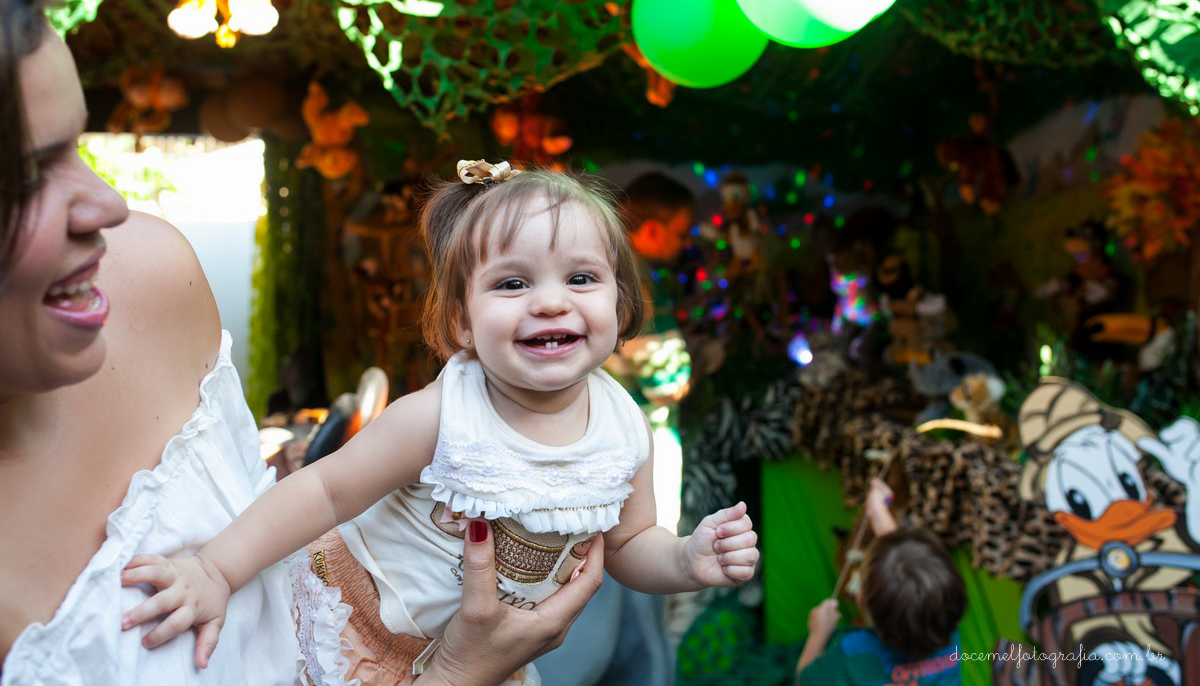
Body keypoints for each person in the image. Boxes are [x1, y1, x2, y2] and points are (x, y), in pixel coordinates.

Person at [0, 0, 602, 686]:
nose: (108, 202)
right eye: (28, 177)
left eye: (77, 147)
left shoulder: (149, 281)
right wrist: (454, 674)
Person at [122, 161, 761, 684]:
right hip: (355, 619)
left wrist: (684, 558)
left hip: (480, 659)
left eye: (581, 277)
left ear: (619, 305)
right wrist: (217, 570)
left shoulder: (625, 428)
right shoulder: (444, 414)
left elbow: (626, 545)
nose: (550, 300)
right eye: (512, 283)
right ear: (461, 322)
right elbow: (324, 489)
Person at [533, 170, 700, 686]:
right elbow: (667, 378)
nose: (684, 243)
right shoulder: (640, 281)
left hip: (574, 450)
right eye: (680, 231)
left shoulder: (589, 267)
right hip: (633, 448)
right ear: (650, 232)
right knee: (633, 577)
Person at [795, 479, 965, 686]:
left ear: (860, 599)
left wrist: (818, 634)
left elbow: (805, 680)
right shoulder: (946, 626)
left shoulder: (850, 653)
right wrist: (878, 511)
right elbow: (906, 567)